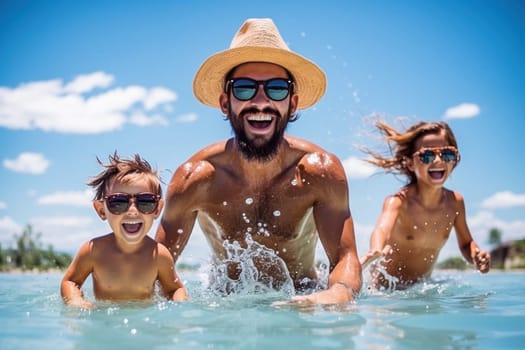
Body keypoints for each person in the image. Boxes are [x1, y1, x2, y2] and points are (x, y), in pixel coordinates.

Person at [155, 18, 361, 304]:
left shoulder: (320, 172)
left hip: (301, 297)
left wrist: (337, 294)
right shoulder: (195, 179)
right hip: (226, 304)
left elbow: (345, 260)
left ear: (293, 103)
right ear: (226, 103)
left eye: (277, 88)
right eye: (244, 88)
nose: (261, 101)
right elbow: (156, 269)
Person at [359, 120, 490, 290]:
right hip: (385, 290)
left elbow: (466, 243)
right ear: (410, 163)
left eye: (447, 154)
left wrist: (476, 255)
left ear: (454, 160)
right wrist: (376, 249)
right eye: (427, 155)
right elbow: (382, 229)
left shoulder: (455, 202)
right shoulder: (398, 201)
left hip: (422, 287)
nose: (438, 160)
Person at [61, 152, 188, 308]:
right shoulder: (93, 251)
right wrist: (76, 301)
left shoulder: (159, 255)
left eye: (145, 202)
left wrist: (180, 308)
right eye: (119, 202)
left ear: (157, 209)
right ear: (101, 210)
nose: (133, 211)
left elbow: (174, 289)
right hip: (106, 323)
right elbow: (71, 281)